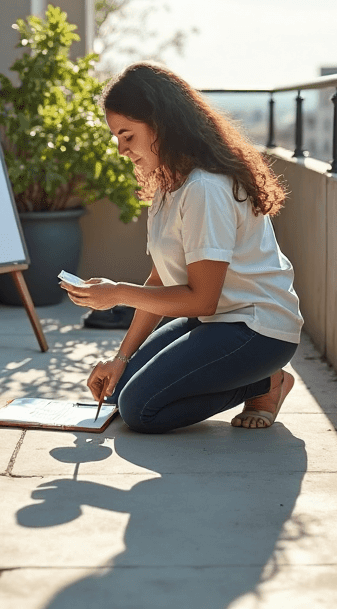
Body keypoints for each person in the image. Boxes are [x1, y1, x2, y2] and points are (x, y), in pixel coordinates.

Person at [62, 62, 303, 433]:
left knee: (140, 410)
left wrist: (117, 294)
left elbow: (201, 299)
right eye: (118, 138)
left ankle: (267, 381)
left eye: (128, 135)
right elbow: (160, 278)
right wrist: (119, 358)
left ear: (161, 125)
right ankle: (253, 380)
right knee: (120, 390)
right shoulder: (168, 183)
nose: (122, 149)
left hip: (256, 330)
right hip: (215, 321)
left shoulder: (205, 189)